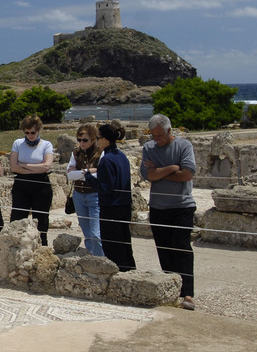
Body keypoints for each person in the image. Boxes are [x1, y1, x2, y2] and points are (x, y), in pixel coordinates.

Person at [140, 114, 197, 310]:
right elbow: (148, 175)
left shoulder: (184, 146)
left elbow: (188, 174)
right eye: (153, 136)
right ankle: (171, 290)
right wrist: (173, 168)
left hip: (182, 206)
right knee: (163, 250)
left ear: (169, 131)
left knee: (182, 249)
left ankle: (187, 293)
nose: (156, 140)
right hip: (158, 207)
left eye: (159, 136)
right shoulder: (148, 148)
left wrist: (160, 172)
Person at [83, 123, 136, 271]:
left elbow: (105, 187)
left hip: (111, 207)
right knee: (125, 242)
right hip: (124, 206)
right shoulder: (122, 157)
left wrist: (88, 177)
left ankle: (119, 274)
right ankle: (129, 270)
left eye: (98, 138)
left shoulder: (106, 160)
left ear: (106, 139)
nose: (97, 141)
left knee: (112, 245)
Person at [8, 114, 55, 245]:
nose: (30, 135)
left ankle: (42, 245)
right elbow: (13, 167)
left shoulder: (46, 145)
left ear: (38, 130)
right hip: (21, 184)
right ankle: (15, 244)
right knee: (17, 217)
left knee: (41, 219)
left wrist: (23, 165)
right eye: (27, 132)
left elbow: (46, 166)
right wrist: (35, 167)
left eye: (32, 132)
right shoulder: (18, 143)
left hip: (41, 185)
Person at [66, 123, 103, 256]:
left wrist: (79, 172)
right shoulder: (75, 153)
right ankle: (91, 256)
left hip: (94, 195)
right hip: (79, 195)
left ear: (93, 140)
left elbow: (100, 174)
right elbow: (70, 175)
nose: (81, 143)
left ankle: (100, 259)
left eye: (85, 140)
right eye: (79, 140)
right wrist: (88, 172)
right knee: (86, 231)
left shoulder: (100, 153)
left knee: (95, 233)